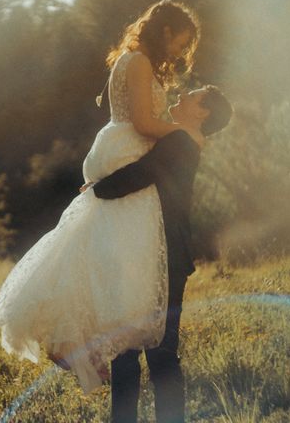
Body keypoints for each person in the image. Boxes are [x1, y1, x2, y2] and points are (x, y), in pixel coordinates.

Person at [0, 0, 201, 394]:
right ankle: (86, 345)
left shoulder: (140, 62)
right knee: (118, 259)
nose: (179, 52)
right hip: (128, 151)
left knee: (112, 259)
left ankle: (99, 346)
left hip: (129, 152)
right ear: (166, 30)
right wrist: (183, 134)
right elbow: (142, 121)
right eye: (180, 42)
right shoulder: (136, 62)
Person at [88, 86, 233, 422]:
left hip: (164, 257)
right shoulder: (180, 138)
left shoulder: (183, 140)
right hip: (152, 253)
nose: (181, 96)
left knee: (156, 354)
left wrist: (96, 189)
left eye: (191, 96)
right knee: (134, 351)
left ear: (204, 112)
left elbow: (143, 173)